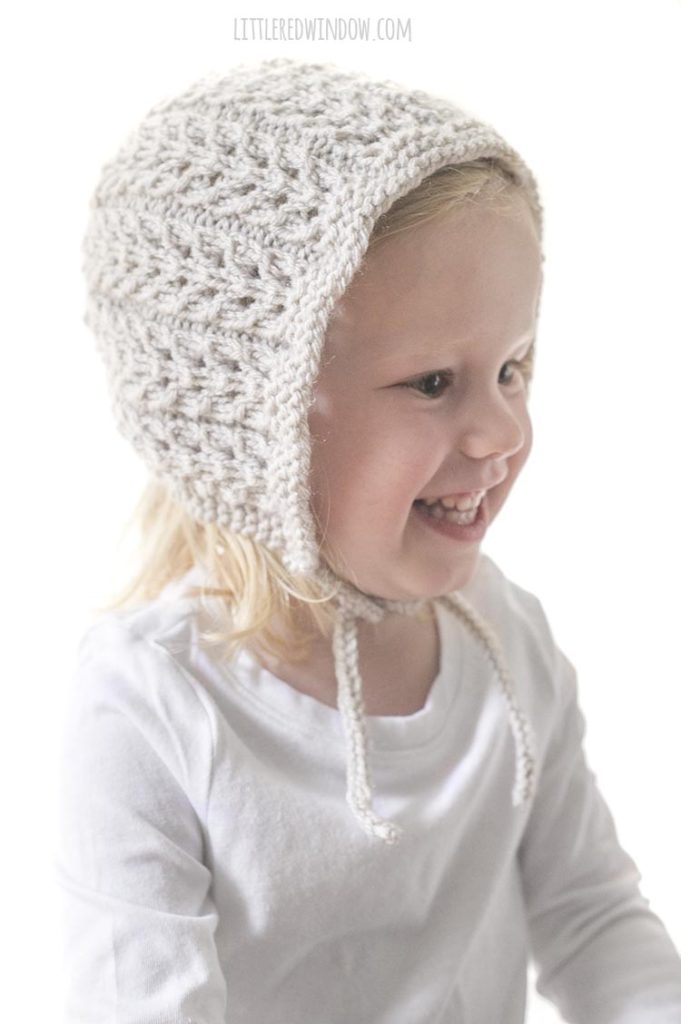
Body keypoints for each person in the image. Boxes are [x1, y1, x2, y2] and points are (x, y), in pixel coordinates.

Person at [55, 57, 681, 1023]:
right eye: (433, 382)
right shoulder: (153, 705)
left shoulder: (501, 639)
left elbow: (591, 917)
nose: (503, 432)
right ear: (251, 429)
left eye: (513, 367)